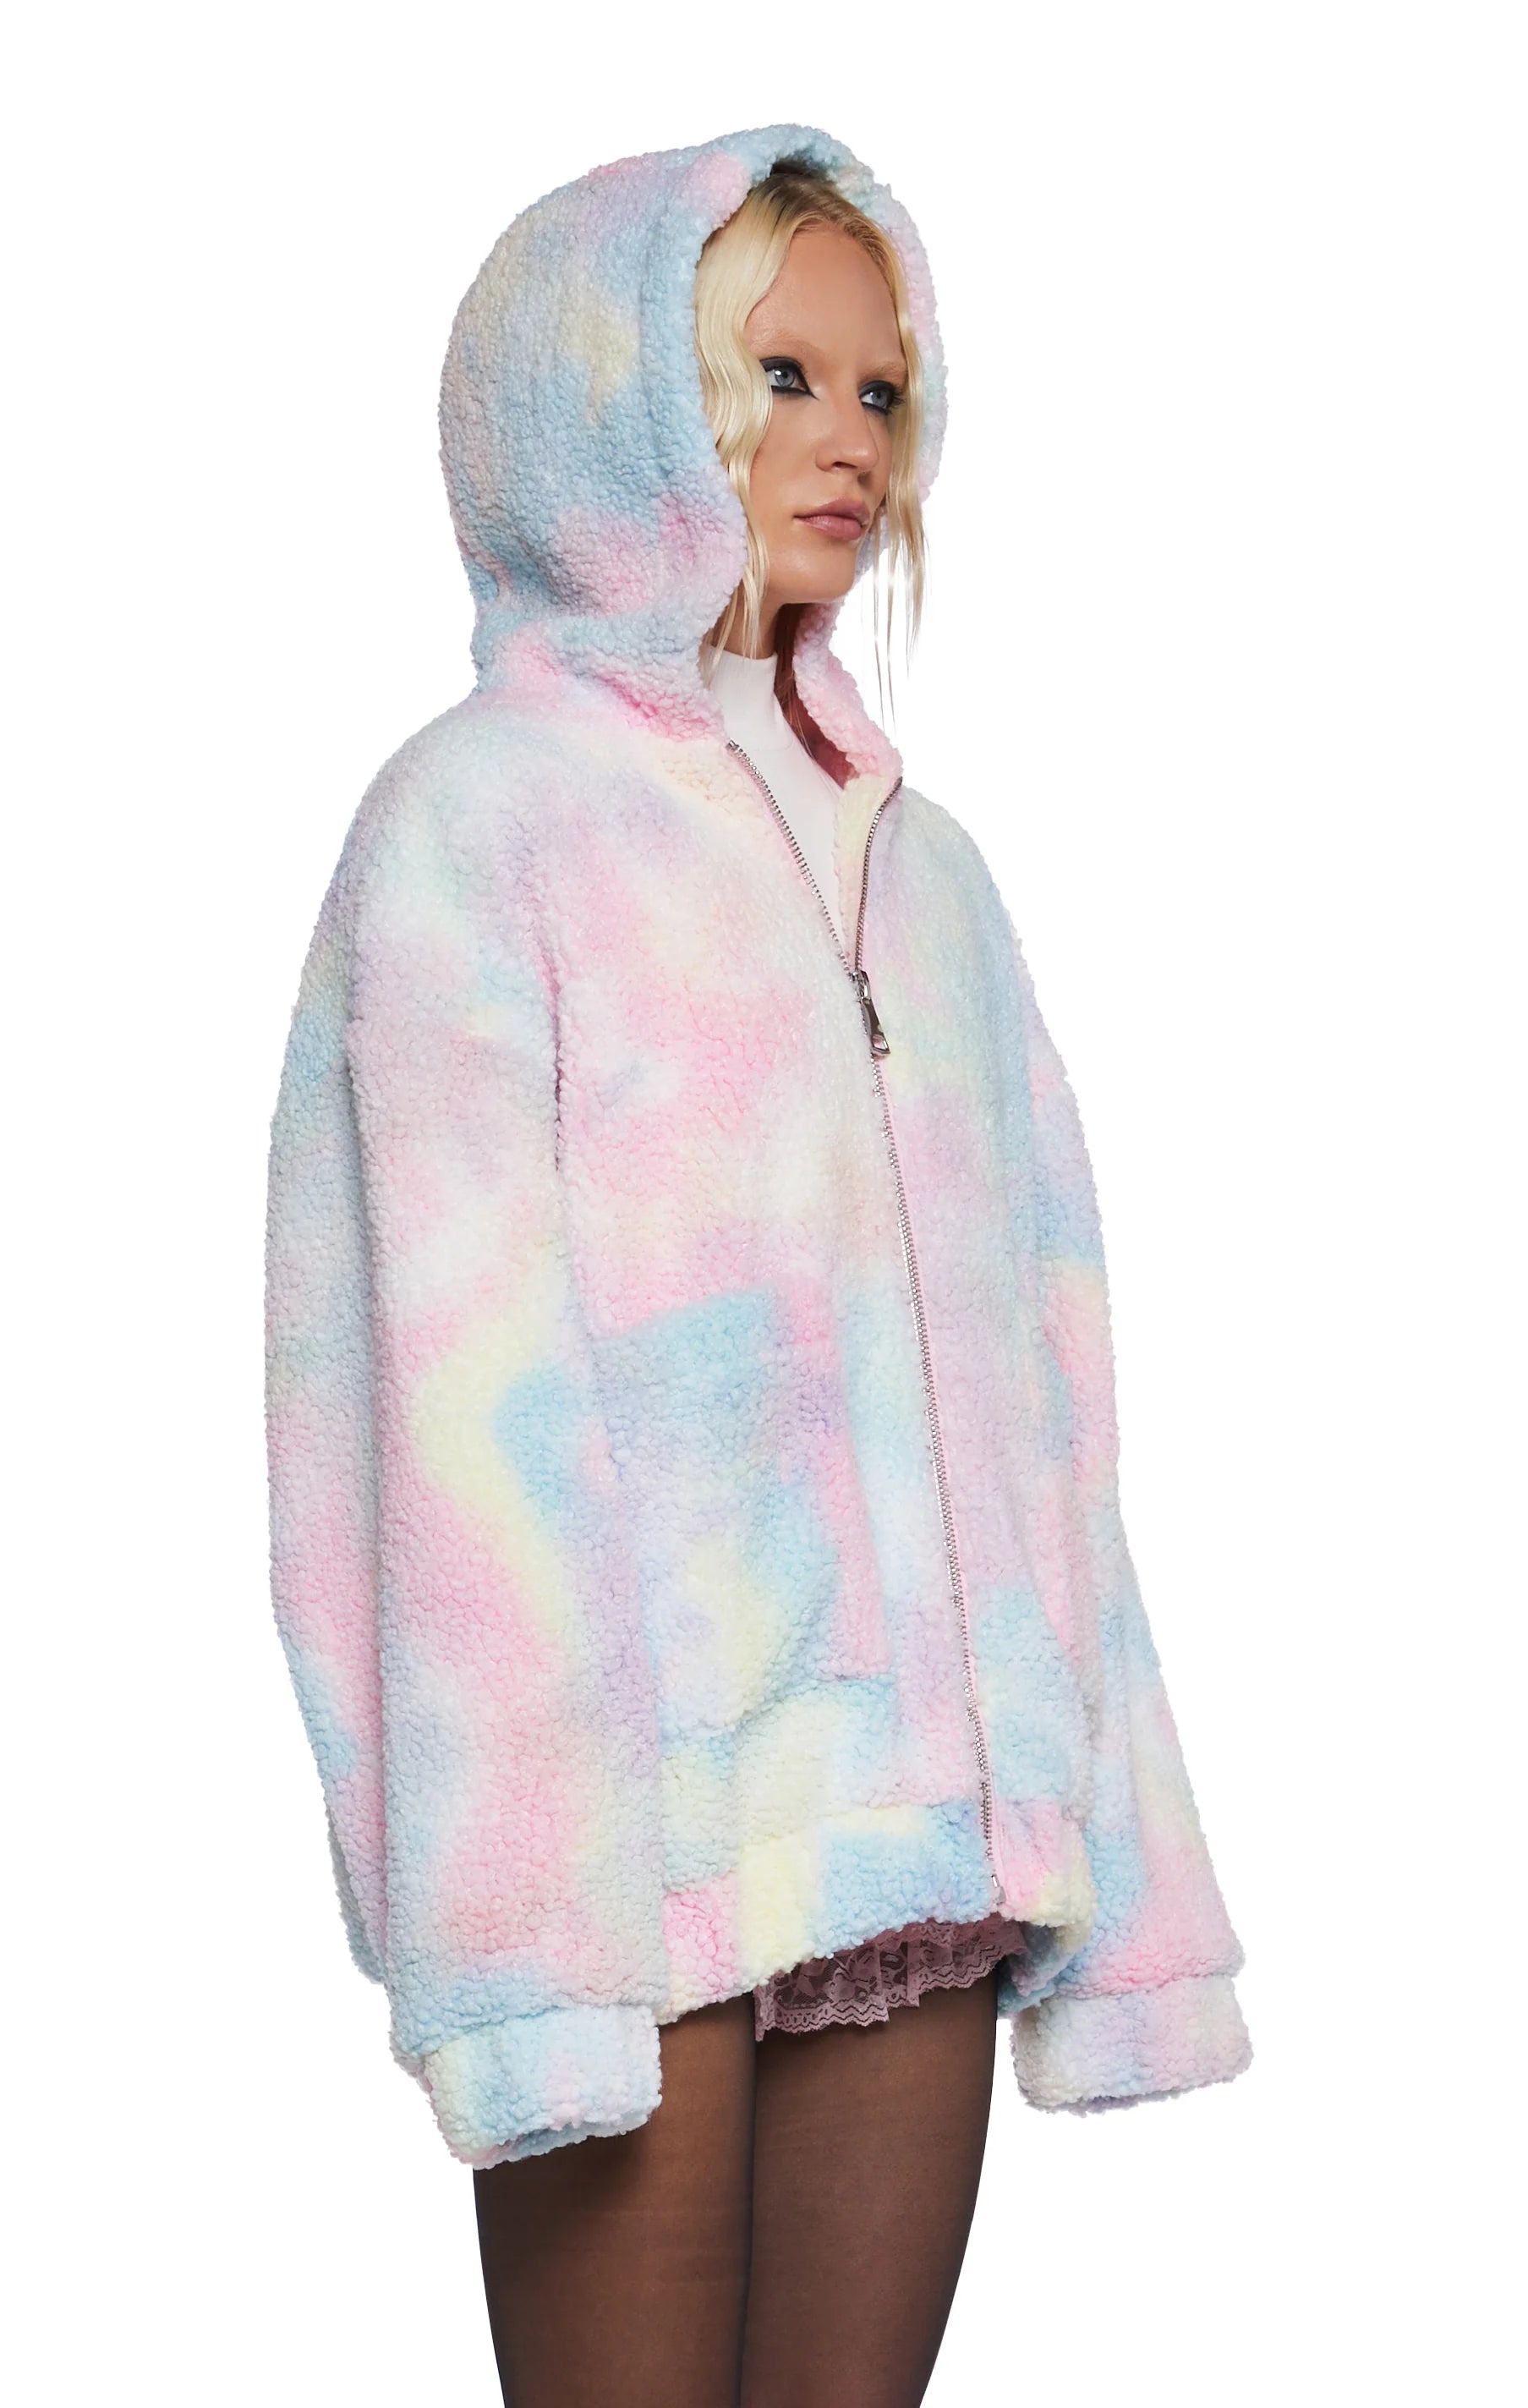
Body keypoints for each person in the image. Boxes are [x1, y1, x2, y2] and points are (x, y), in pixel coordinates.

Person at [264, 125, 1250, 2408]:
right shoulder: (475, 830)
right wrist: (516, 1941)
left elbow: (1050, 1402)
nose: (847, 439)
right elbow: (425, 1435)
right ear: (609, 394)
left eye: (881, 391)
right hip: (626, 1858)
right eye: (779, 374)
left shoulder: (936, 876)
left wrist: (1115, 1852)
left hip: (919, 1830)